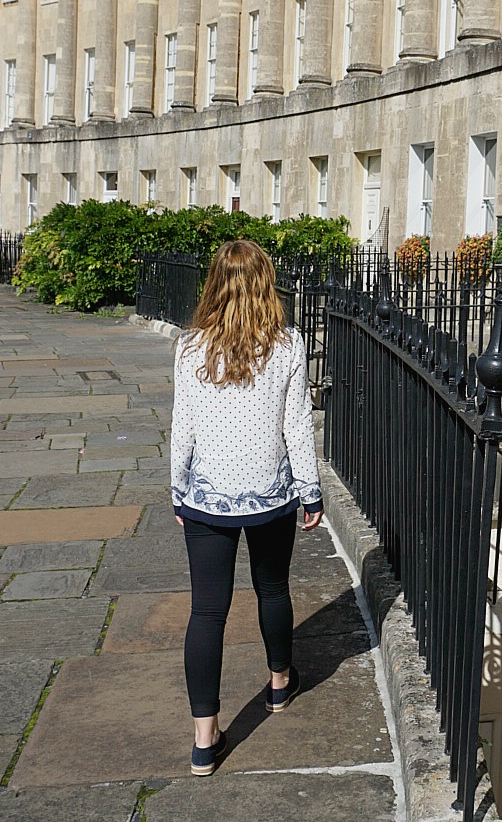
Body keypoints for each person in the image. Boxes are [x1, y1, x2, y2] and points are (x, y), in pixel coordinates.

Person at [169, 240, 323, 776]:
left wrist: (178, 490)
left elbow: (181, 427)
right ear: (265, 285)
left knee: (206, 611)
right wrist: (311, 490)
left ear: (214, 283)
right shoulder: (286, 346)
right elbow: (298, 425)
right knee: (273, 588)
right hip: (271, 496)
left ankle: (203, 741)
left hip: (206, 496)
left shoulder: (190, 347)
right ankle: (279, 685)